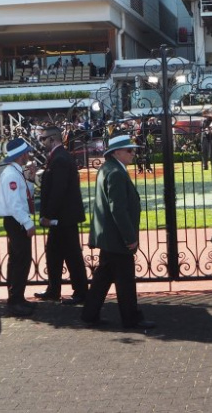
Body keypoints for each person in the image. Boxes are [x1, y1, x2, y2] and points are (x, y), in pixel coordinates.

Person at [81, 135, 155, 330]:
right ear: (116, 152)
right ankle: (131, 319)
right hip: (116, 238)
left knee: (103, 278)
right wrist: (130, 238)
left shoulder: (109, 168)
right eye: (129, 150)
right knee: (125, 282)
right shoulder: (115, 172)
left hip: (110, 237)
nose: (133, 153)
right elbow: (118, 209)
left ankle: (89, 314)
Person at [34, 126, 89, 305]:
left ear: (53, 139)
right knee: (54, 254)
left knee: (71, 255)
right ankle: (54, 289)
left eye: (43, 139)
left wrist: (48, 215)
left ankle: (80, 292)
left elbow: (58, 190)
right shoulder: (58, 157)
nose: (42, 143)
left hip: (63, 217)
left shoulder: (60, 158)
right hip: (62, 217)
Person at [0, 139, 38, 317]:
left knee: (17, 260)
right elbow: (15, 204)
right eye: (27, 152)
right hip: (16, 221)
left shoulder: (15, 172)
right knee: (21, 261)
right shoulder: (12, 174)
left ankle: (17, 298)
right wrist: (27, 223)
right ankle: (15, 300)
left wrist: (31, 178)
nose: (29, 155)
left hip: (15, 220)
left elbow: (23, 194)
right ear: (22, 155)